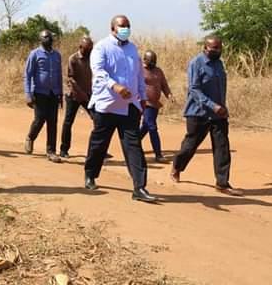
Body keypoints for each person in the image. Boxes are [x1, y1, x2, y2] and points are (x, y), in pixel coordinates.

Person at [84, 15, 156, 203]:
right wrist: (115, 86)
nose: (126, 29)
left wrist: (142, 98)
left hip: (129, 106)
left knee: (133, 146)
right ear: (113, 28)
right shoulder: (102, 47)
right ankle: (90, 174)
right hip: (106, 105)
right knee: (99, 144)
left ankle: (139, 187)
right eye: (122, 26)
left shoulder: (133, 49)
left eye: (128, 26)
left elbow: (139, 75)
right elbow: (98, 73)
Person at [170, 36, 242, 196]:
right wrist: (212, 106)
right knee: (190, 145)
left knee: (222, 147)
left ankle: (222, 183)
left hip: (219, 115)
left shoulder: (219, 64)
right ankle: (177, 166)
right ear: (205, 48)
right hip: (198, 113)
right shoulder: (196, 63)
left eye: (219, 48)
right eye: (214, 48)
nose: (217, 51)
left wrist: (221, 107)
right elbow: (194, 89)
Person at [23, 30, 64, 163]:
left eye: (50, 37)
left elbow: (59, 75)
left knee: (53, 122)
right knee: (39, 119)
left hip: (54, 93)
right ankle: (30, 137)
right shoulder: (34, 54)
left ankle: (51, 151)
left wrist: (60, 94)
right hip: (40, 93)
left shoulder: (57, 55)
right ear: (40, 39)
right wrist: (28, 94)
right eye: (46, 37)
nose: (49, 39)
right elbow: (28, 75)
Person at [59, 36, 94, 159]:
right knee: (68, 122)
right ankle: (64, 149)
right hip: (73, 95)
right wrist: (80, 93)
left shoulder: (91, 59)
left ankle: (97, 149)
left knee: (98, 120)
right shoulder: (73, 59)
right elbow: (71, 79)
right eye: (87, 49)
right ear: (80, 47)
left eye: (91, 49)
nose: (89, 51)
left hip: (88, 94)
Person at [140, 50, 175, 162]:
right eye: (150, 61)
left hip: (155, 103)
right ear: (144, 59)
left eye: (154, 61)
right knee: (152, 127)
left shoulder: (158, 71)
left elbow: (164, 85)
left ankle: (133, 143)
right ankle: (158, 154)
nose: (152, 63)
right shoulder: (139, 70)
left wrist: (169, 95)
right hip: (145, 103)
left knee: (146, 126)